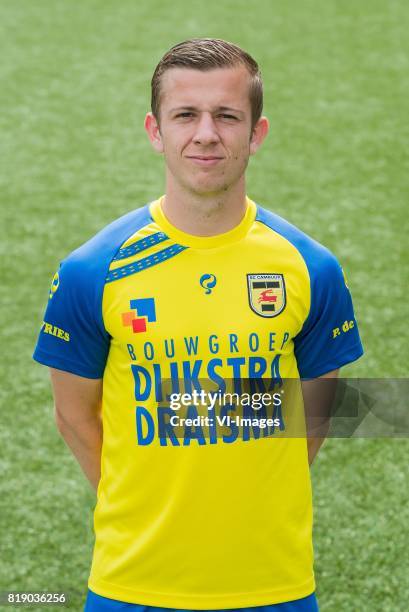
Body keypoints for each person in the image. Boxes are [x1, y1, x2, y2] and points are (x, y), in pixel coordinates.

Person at [33, 38, 364, 612]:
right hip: (130, 584)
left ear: (256, 133)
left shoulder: (311, 268)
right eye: (185, 115)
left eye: (227, 116)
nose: (206, 133)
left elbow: (317, 416)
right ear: (155, 131)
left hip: (274, 585)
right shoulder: (93, 270)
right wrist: (142, 501)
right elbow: (74, 416)